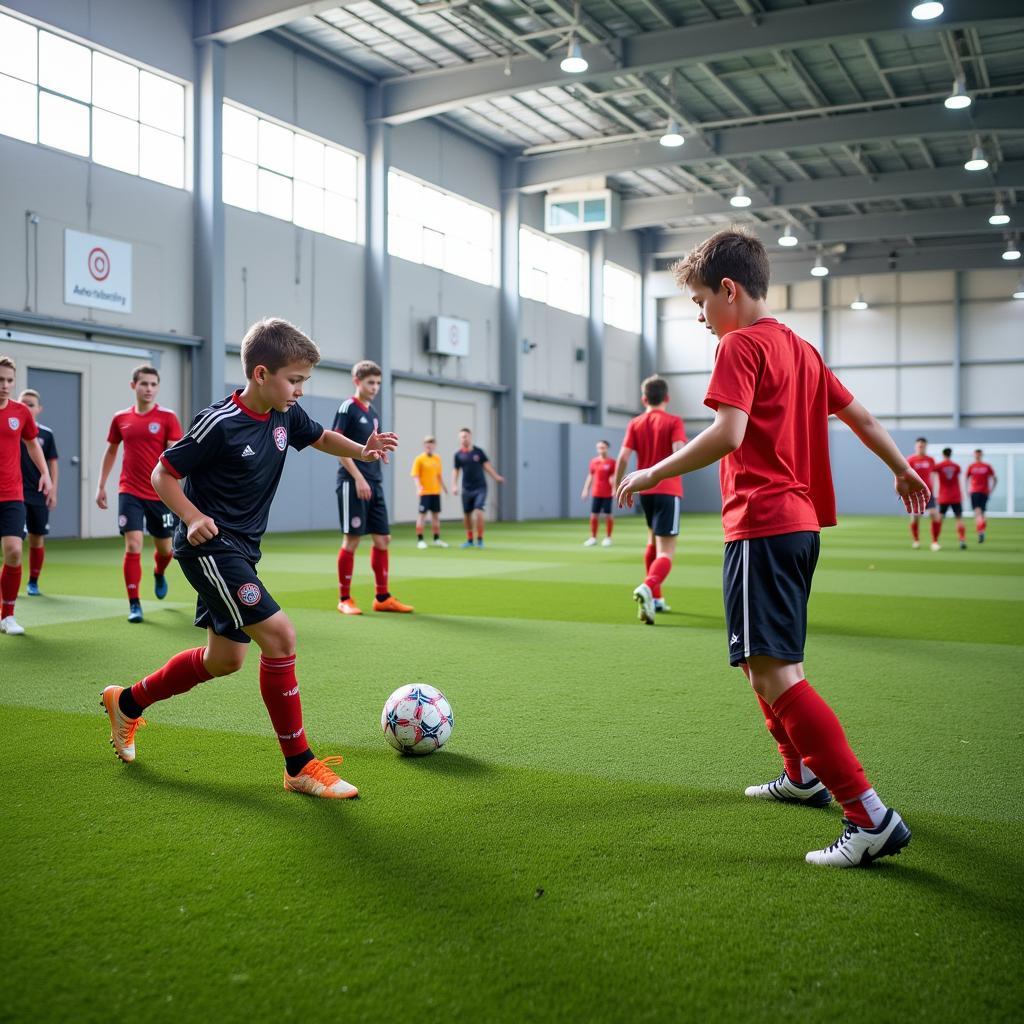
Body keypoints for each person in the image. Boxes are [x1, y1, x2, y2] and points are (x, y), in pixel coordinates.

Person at [616, 228, 929, 867]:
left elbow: (728, 434)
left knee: (774, 670)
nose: (701, 318)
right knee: (765, 661)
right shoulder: (801, 348)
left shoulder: (739, 345)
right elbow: (861, 417)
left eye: (701, 302)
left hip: (762, 521)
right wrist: (901, 467)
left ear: (729, 291)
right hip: (799, 525)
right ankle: (800, 775)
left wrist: (651, 472)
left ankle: (868, 814)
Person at [100, 318, 398, 799]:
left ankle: (127, 702)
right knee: (280, 636)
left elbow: (321, 437)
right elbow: (163, 474)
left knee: (225, 659)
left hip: (242, 550)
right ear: (261, 374)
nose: (300, 390)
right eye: (294, 380)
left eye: (304, 381)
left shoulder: (285, 414)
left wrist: (362, 451)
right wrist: (192, 517)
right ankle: (299, 766)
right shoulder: (218, 422)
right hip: (208, 546)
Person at [96, 366, 183, 622]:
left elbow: (174, 455)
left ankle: (159, 571)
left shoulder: (167, 418)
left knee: (166, 550)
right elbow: (111, 451)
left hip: (160, 494)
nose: (149, 389)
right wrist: (101, 485)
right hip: (129, 491)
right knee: (133, 544)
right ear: (133, 386)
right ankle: (134, 604)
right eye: (144, 384)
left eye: (154, 384)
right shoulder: (120, 418)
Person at [333, 360, 412, 615]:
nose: (375, 387)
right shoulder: (348, 408)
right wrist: (358, 477)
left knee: (383, 538)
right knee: (352, 540)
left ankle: (382, 597)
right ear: (357, 381)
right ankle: (344, 598)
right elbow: (337, 447)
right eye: (370, 382)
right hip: (353, 482)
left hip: (374, 482)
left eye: (378, 383)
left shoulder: (373, 412)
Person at [614, 376, 686, 622]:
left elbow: (623, 457)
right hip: (668, 489)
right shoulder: (674, 421)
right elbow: (679, 452)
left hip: (644, 491)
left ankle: (656, 598)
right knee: (666, 552)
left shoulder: (635, 423)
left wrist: (618, 485)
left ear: (644, 399)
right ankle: (647, 586)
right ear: (667, 398)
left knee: (651, 542)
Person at [0, 357, 52, 635]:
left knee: (14, 551)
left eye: (9, 380)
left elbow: (33, 444)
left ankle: (7, 615)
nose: (5, 385)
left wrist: (45, 473)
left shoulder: (20, 412)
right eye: (0, 380)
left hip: (12, 494)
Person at [19, 389, 58, 595]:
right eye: (23, 403)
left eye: (31, 404)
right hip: (14, 492)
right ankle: (9, 582)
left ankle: (33, 581)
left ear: (39, 409)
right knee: (14, 539)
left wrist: (53, 490)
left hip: (38, 493)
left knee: (36, 537)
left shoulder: (46, 434)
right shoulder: (10, 426)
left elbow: (53, 464)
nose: (26, 407)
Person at [452, 428, 504, 548]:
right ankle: (470, 539)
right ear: (459, 439)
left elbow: (487, 466)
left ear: (470, 436)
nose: (464, 438)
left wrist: (496, 477)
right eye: (462, 437)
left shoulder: (479, 452)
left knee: (479, 512)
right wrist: (454, 485)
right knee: (467, 515)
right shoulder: (458, 455)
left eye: (466, 436)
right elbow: (456, 471)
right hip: (466, 489)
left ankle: (480, 539)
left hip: (480, 487)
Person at [410, 436, 448, 549]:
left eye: (431, 443)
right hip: (425, 492)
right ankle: (420, 540)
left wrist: (444, 488)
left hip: (435, 492)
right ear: (424, 445)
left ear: (434, 445)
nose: (429, 445)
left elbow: (439, 475)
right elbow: (415, 476)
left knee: (436, 516)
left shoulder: (437, 458)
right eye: (427, 443)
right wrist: (418, 488)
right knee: (422, 516)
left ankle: (437, 539)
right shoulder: (419, 459)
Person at [580, 439, 616, 547]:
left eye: (603, 447)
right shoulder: (594, 461)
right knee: (594, 515)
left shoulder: (612, 462)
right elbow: (590, 476)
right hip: (596, 492)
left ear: (607, 448)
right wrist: (586, 489)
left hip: (607, 493)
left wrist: (614, 488)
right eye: (599, 448)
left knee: (608, 515)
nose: (601, 450)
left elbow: (614, 477)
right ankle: (593, 537)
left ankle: (608, 537)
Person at [906, 437, 940, 550]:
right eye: (919, 445)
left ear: (926, 446)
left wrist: (935, 490)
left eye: (923, 445)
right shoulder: (910, 460)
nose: (921, 447)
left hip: (928, 492)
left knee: (934, 514)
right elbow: (905, 475)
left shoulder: (930, 460)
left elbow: (934, 475)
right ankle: (916, 540)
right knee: (915, 517)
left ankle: (935, 542)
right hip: (915, 493)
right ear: (916, 446)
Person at [934, 447, 966, 550]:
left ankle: (936, 540)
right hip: (956, 496)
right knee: (959, 519)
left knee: (939, 519)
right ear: (951, 454)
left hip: (944, 496)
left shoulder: (939, 466)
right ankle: (962, 539)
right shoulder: (956, 466)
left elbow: (931, 472)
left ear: (943, 455)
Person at [966, 449, 997, 543]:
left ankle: (980, 531)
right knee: (982, 513)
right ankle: (982, 530)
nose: (977, 456)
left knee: (978, 513)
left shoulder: (986, 466)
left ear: (980, 455)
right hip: (979, 491)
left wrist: (991, 490)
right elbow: (966, 479)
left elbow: (995, 478)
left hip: (978, 492)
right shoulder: (972, 466)